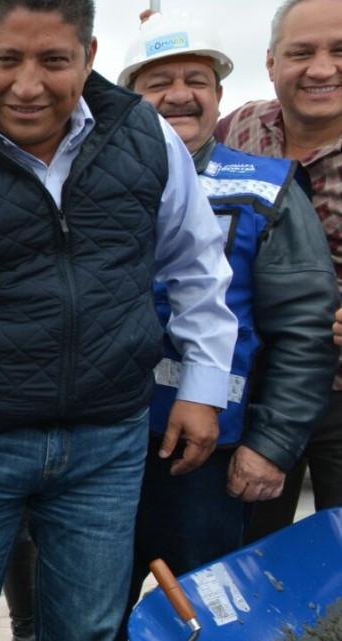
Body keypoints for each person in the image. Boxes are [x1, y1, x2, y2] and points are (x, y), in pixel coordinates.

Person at [0, 0, 240, 639]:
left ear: (90, 59)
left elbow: (198, 264)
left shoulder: (147, 137)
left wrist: (204, 387)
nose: (28, 84)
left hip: (106, 441)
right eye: (8, 59)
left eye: (54, 60)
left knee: (86, 630)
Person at [117, 10, 338, 635]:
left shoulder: (264, 188)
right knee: (90, 616)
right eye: (157, 82)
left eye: (197, 78)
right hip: (101, 458)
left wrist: (270, 447)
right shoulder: (89, 180)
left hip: (208, 468)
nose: (179, 94)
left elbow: (304, 334)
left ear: (219, 95)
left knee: (211, 620)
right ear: (128, 95)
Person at [215, 0, 342, 541]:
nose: (320, 68)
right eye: (300, 52)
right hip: (253, 398)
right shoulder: (236, 129)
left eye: (339, 51)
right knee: (243, 564)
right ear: (270, 62)